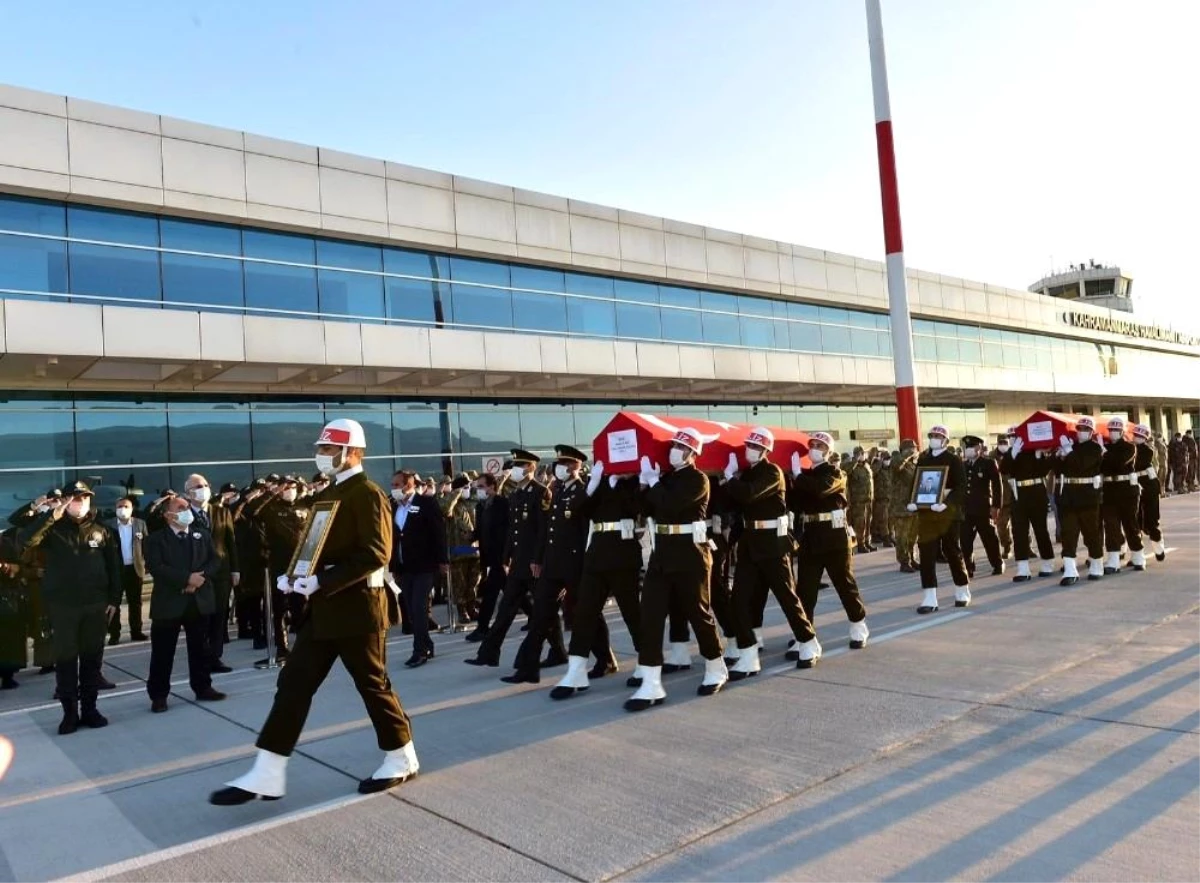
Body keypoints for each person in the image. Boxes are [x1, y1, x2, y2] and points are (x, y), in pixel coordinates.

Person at [210, 418, 416, 805]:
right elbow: (315, 547)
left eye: (327, 450)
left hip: (359, 610)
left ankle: (401, 755)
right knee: (293, 684)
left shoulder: (367, 493)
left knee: (372, 685)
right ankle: (268, 771)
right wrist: (295, 576)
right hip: (325, 611)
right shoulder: (333, 494)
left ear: (351, 451)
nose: (321, 457)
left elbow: (375, 553)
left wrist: (323, 580)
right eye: (321, 449)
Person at [626, 429, 728, 710]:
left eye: (679, 447)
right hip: (662, 555)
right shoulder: (667, 479)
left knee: (699, 613)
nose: (673, 450)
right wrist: (644, 485)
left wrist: (655, 482)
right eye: (672, 445)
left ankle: (716, 666)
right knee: (651, 616)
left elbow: (672, 504)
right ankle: (650, 683)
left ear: (692, 453)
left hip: (691, 554)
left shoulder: (698, 479)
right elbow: (643, 507)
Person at [16, 481, 121, 735]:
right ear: (66, 501)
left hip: (95, 605)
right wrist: (52, 516)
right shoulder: (53, 529)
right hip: (63, 607)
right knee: (65, 661)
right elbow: (25, 541)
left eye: (85, 498)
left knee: (91, 659)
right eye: (76, 498)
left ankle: (90, 710)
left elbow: (114, 568)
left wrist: (114, 601)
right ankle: (69, 714)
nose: (81, 502)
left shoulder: (102, 530)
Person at [722, 427, 820, 676]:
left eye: (755, 447)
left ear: (766, 450)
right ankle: (748, 655)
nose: (749, 451)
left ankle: (808, 642)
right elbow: (732, 502)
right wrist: (726, 480)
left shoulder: (772, 472)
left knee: (787, 597)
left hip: (773, 546)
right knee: (739, 601)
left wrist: (731, 478)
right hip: (749, 545)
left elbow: (749, 494)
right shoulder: (745, 474)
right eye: (748, 446)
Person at [551, 459, 643, 699]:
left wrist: (624, 482)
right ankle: (576, 669)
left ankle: (647, 659)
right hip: (597, 555)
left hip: (623, 555)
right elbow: (577, 511)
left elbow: (637, 509)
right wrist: (592, 485)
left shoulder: (634, 483)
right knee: (584, 612)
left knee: (632, 612)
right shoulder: (598, 483)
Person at [506, 445, 590, 685]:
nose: (560, 467)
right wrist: (540, 559)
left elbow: (584, 533)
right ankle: (527, 668)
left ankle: (606, 659)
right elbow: (547, 530)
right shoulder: (559, 491)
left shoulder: (582, 492)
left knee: (585, 615)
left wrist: (586, 566)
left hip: (574, 564)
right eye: (558, 462)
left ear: (577, 466)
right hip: (552, 565)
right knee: (540, 614)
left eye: (566, 462)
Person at [465, 450, 549, 669]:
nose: (514, 470)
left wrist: (538, 559)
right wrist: (506, 557)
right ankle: (488, 653)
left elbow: (542, 531)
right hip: (516, 562)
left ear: (531, 467)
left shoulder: (542, 493)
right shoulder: (516, 495)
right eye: (513, 466)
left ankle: (558, 650)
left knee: (543, 610)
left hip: (534, 563)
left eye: (519, 466)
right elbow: (513, 531)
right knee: (505, 609)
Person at [144, 497, 227, 712]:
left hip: (198, 601)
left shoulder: (202, 534)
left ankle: (203, 687)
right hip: (168, 604)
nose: (186, 511)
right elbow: (156, 567)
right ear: (167, 515)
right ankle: (159, 695)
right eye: (180, 508)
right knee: (163, 653)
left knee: (200, 649)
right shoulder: (155, 540)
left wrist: (199, 578)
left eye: (187, 507)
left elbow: (215, 559)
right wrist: (186, 579)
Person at [788, 432, 869, 651]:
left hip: (834, 537)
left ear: (828, 451)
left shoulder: (836, 473)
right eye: (812, 445)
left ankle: (858, 625)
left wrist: (797, 475)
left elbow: (821, 489)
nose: (814, 448)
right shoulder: (803, 476)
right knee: (805, 590)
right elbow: (794, 503)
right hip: (811, 537)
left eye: (820, 445)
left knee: (844, 584)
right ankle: (804, 633)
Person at [906, 426, 971, 613]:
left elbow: (961, 487)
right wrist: (913, 501)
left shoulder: (954, 460)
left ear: (946, 440)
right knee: (926, 554)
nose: (934, 439)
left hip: (948, 514)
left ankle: (962, 589)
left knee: (952, 552)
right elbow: (916, 484)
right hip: (927, 514)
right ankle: (929, 597)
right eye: (932, 436)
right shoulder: (924, 460)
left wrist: (946, 503)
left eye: (938, 436)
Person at [389, 470, 449, 668]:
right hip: (404, 566)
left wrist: (442, 560)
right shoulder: (393, 507)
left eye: (397, 485)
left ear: (409, 485)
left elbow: (439, 533)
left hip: (425, 565)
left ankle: (419, 651)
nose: (394, 488)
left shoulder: (426, 503)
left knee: (419, 606)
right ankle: (427, 644)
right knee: (412, 610)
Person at [183, 474, 240, 674]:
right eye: (198, 486)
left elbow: (230, 542)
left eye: (206, 485)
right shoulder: (184, 514)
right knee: (201, 619)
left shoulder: (222, 512)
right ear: (188, 492)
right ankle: (202, 658)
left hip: (221, 573)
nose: (203, 488)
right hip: (198, 574)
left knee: (219, 617)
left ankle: (215, 657)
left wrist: (235, 569)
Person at [1055, 416, 1105, 585]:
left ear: (1091, 432)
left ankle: (1096, 564)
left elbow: (1081, 465)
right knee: (1068, 534)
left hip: (1087, 497)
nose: (1081, 432)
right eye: (1080, 429)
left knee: (1091, 533)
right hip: (1068, 496)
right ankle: (1070, 570)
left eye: (1085, 429)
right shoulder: (1071, 445)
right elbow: (1057, 470)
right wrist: (1058, 455)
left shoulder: (1095, 449)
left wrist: (1068, 451)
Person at [1001, 427, 1056, 582]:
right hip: (1018, 494)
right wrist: (1013, 453)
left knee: (1040, 530)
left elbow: (1044, 470)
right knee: (1019, 532)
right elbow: (1004, 469)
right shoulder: (1010, 453)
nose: (1012, 439)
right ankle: (1023, 568)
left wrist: (1039, 456)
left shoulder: (1033, 450)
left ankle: (1047, 562)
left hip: (1036, 492)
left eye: (1015, 436)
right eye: (1010, 436)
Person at [465, 473, 510, 642]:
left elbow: (508, 531)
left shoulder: (502, 504)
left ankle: (482, 628)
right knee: (512, 591)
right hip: (488, 557)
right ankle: (534, 616)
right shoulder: (480, 506)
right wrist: (472, 536)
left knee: (490, 594)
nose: (478, 490)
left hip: (500, 557)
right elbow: (480, 528)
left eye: (481, 486)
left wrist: (508, 556)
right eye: (477, 487)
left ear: (492, 486)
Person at [1099, 417, 1144, 574]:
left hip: (1127, 492)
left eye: (1116, 430)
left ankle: (1138, 556)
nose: (1113, 433)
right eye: (1111, 430)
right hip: (1110, 491)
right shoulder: (1104, 447)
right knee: (1111, 527)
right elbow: (1100, 468)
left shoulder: (1129, 447)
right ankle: (1113, 560)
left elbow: (1118, 463)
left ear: (1122, 431)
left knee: (1130, 524)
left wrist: (1104, 453)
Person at [959, 435, 1004, 578]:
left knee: (989, 538)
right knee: (965, 539)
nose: (968, 450)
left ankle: (997, 563)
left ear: (979, 448)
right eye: (967, 447)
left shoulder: (988, 463)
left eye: (971, 447)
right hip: (966, 509)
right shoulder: (963, 465)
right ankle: (969, 566)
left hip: (983, 508)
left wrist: (996, 506)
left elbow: (997, 485)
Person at [106, 497, 148, 645]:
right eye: (119, 506)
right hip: (116, 570)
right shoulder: (108, 525)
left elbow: (145, 545)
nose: (123, 509)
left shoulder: (140, 524)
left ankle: (136, 631)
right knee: (114, 603)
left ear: (132, 509)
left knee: (135, 603)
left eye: (126, 506)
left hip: (134, 569)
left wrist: (145, 565)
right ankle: (114, 634)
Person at [1133, 423, 1167, 562]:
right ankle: (1136, 552)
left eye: (1141, 436)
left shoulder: (1148, 450)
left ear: (1146, 437)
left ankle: (1159, 548)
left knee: (1151, 521)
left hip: (1149, 486)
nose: (1137, 438)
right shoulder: (1131, 448)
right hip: (1135, 484)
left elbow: (1137, 462)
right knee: (1136, 521)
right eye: (1136, 435)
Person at [889, 440, 919, 573]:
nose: (914, 451)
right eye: (911, 449)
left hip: (913, 505)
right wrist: (906, 455)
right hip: (901, 507)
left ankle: (912, 558)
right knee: (902, 537)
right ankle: (904, 562)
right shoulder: (897, 461)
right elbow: (896, 466)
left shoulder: (913, 464)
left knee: (913, 536)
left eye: (915, 448)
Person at [846, 446, 875, 553]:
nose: (863, 455)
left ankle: (867, 541)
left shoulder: (866, 465)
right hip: (858, 500)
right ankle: (860, 544)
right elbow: (846, 470)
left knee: (868, 522)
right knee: (860, 523)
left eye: (864, 453)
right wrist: (855, 460)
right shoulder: (852, 466)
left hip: (868, 499)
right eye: (861, 453)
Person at [991, 434, 1014, 559]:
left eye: (1005, 442)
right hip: (1001, 497)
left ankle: (1027, 547)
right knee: (1002, 526)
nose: (1003, 445)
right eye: (1001, 442)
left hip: (1015, 495)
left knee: (1021, 525)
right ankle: (1006, 547)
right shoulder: (991, 458)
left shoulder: (1014, 454)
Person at [871, 451, 893, 548]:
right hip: (880, 499)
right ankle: (885, 539)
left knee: (890, 520)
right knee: (883, 520)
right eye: (886, 459)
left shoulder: (889, 470)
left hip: (889, 498)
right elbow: (873, 472)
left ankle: (890, 536)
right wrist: (879, 462)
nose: (888, 461)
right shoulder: (877, 469)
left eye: (889, 459)